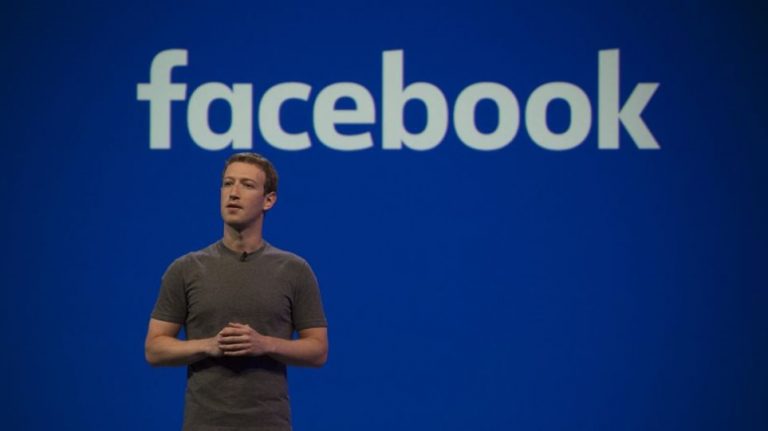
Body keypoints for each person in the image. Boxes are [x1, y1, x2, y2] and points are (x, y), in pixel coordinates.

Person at [145, 152, 328, 431]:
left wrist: (265, 344)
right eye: (228, 183)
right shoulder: (185, 269)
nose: (234, 193)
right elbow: (155, 348)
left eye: (247, 185)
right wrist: (209, 345)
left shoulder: (294, 270)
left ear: (269, 200)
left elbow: (318, 350)